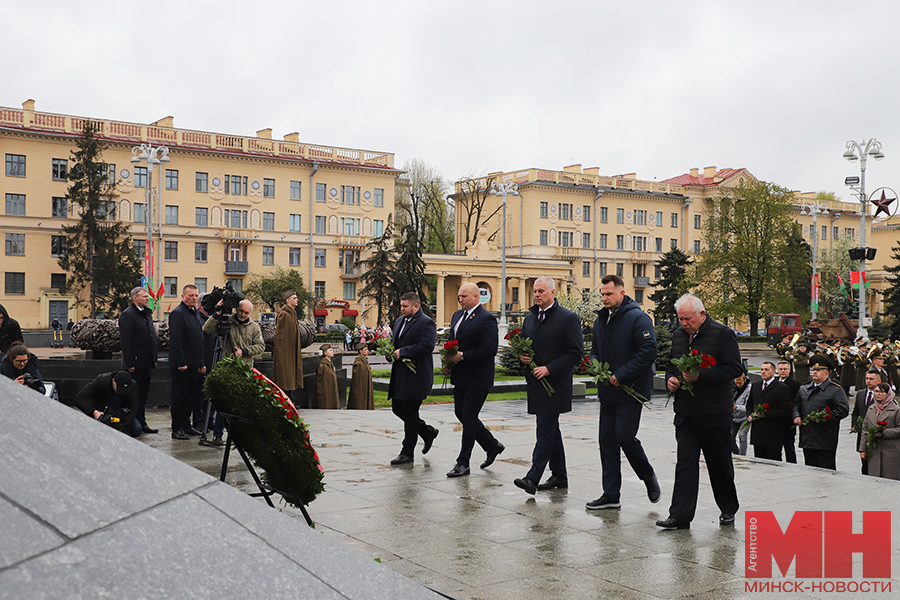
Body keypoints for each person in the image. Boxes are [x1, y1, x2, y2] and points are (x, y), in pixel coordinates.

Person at [658, 293, 741, 530]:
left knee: (719, 464)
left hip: (715, 412)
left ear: (701, 314)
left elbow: (734, 368)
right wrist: (671, 380)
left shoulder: (722, 334)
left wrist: (700, 376)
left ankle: (727, 509)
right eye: (680, 319)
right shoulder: (678, 336)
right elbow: (671, 365)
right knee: (685, 464)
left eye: (687, 319)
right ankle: (680, 516)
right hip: (686, 412)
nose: (683, 324)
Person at [585, 274, 659, 509]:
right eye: (602, 294)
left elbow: (648, 351)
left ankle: (647, 476)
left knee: (625, 436)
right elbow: (595, 349)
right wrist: (596, 366)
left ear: (621, 293)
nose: (604, 298)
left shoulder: (637, 317)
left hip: (630, 389)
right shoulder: (600, 320)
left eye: (608, 294)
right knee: (606, 441)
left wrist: (622, 374)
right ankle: (611, 494)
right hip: (607, 390)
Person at [513, 277, 583, 495]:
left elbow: (575, 353)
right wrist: (523, 358)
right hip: (536, 384)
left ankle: (532, 478)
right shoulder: (530, 318)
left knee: (544, 430)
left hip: (555, 384)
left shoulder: (567, 318)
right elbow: (526, 346)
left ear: (553, 292)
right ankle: (560, 476)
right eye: (535, 291)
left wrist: (549, 368)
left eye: (541, 291)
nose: (536, 295)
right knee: (551, 430)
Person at [443, 283, 504, 478]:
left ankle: (463, 463)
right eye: (459, 296)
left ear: (476, 297)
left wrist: (462, 356)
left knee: (468, 417)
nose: (460, 299)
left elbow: (490, 349)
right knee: (460, 413)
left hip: (478, 377)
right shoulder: (457, 316)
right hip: (460, 374)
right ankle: (492, 445)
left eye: (464, 296)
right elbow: (454, 342)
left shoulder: (486, 319)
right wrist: (448, 361)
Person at [387, 292, 438, 465]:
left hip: (417, 376)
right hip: (401, 375)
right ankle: (427, 431)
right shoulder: (400, 321)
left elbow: (427, 346)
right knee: (397, 409)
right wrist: (389, 352)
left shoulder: (426, 322)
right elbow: (397, 343)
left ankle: (407, 453)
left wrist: (402, 352)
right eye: (401, 306)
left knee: (410, 413)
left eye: (405, 306)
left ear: (416, 306)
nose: (401, 309)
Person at [792, 355, 849, 470]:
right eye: (813, 370)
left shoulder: (835, 390)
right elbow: (796, 405)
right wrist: (796, 416)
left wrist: (822, 417)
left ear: (827, 374)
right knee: (810, 469)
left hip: (825, 438)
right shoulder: (804, 388)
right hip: (807, 437)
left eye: (818, 370)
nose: (814, 372)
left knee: (826, 470)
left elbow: (843, 410)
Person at [118, 286, 159, 434]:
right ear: (135, 298)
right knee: (133, 396)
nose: (148, 298)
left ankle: (142, 422)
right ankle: (131, 424)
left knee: (143, 395)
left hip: (146, 362)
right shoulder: (128, 315)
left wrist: (153, 358)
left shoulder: (146, 314)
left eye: (148, 297)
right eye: (144, 297)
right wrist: (130, 363)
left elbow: (150, 337)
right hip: (134, 365)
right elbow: (126, 341)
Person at [168, 285, 206, 440]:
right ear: (183, 296)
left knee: (189, 397)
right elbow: (176, 340)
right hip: (182, 365)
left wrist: (201, 362)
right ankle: (176, 428)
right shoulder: (178, 313)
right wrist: (181, 362)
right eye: (191, 295)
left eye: (196, 295)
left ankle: (186, 425)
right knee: (179, 397)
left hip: (194, 364)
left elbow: (199, 339)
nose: (194, 298)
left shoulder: (195, 312)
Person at [68, 370, 141, 437]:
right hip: (101, 411)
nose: (120, 392)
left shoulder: (133, 385)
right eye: (119, 389)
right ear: (113, 381)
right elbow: (79, 399)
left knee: (137, 429)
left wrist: (124, 420)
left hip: (121, 414)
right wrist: (94, 412)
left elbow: (134, 406)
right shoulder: (101, 380)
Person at [746, 361, 791, 461]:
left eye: (766, 370)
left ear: (773, 371)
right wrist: (750, 414)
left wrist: (765, 415)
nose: (763, 372)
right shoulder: (756, 386)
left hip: (773, 434)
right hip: (758, 434)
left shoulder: (781, 388)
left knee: (773, 463)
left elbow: (785, 410)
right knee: (758, 462)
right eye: (762, 369)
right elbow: (749, 404)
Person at [202, 299, 265, 368]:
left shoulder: (254, 327)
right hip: (227, 365)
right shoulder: (226, 322)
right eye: (241, 311)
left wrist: (244, 351)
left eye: (246, 313)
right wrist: (217, 314)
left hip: (245, 367)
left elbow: (261, 346)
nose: (243, 315)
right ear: (236, 309)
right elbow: (206, 329)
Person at [857, 382, 900, 480]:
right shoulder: (871, 408)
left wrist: (884, 433)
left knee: (890, 478)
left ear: (888, 394)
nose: (878, 394)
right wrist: (863, 449)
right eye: (876, 391)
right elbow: (865, 429)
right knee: (874, 478)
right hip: (873, 450)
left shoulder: (896, 410)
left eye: (881, 392)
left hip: (891, 451)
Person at [274, 290, 304, 405]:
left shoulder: (291, 313)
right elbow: (282, 337)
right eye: (294, 298)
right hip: (286, 352)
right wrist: (284, 353)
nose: (297, 300)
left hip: (292, 350)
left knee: (291, 375)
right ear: (288, 300)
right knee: (286, 376)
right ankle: (287, 401)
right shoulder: (284, 314)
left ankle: (290, 400)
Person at [851, 369, 883, 475]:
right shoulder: (860, 394)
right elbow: (855, 412)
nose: (868, 381)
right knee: (864, 464)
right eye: (867, 379)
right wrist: (854, 425)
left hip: (876, 435)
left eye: (871, 379)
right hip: (863, 435)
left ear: (879, 381)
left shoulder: (884, 396)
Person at [776, 360, 801, 463]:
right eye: (780, 369)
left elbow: (795, 402)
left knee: (789, 447)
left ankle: (792, 465)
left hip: (788, 421)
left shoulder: (795, 384)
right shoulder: (774, 382)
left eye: (785, 369)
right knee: (776, 447)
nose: (783, 371)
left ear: (789, 370)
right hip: (776, 420)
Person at [347, 342, 374, 410]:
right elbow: (357, 379)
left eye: (367, 349)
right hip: (362, 388)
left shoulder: (365, 361)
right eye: (365, 349)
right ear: (360, 351)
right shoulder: (358, 363)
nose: (367, 351)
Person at [731, 369, 751, 456]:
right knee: (730, 437)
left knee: (742, 435)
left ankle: (743, 456)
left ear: (745, 380)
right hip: (734, 416)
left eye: (740, 383)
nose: (738, 385)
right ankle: (736, 453)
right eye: (736, 383)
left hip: (745, 416)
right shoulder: (732, 386)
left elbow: (748, 406)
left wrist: (736, 407)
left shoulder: (749, 389)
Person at [315, 344, 340, 409]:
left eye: (332, 350)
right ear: (325, 353)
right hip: (326, 391)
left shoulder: (330, 363)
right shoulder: (323, 366)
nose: (332, 351)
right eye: (330, 350)